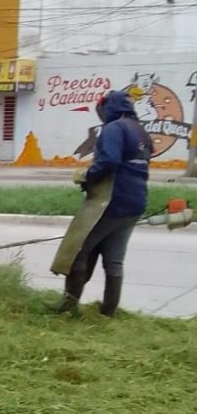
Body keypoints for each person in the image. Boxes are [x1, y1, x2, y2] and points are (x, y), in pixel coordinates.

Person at [51, 89, 152, 317]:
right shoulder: (140, 130)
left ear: (108, 108)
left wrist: (87, 176)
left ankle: (68, 307)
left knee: (78, 250)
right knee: (114, 260)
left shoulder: (114, 128)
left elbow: (109, 161)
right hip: (135, 203)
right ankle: (108, 311)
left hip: (111, 202)